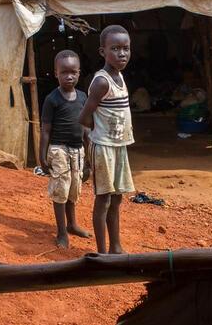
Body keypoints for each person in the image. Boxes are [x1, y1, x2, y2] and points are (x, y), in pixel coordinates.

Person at [79, 25, 136, 254]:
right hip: (103, 147)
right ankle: (102, 252)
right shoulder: (102, 82)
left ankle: (116, 246)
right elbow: (84, 117)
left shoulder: (119, 76)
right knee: (103, 199)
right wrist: (92, 141)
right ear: (102, 52)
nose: (122, 54)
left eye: (126, 48)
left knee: (117, 198)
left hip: (119, 146)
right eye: (115, 49)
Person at [39, 50, 92, 248]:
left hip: (78, 150)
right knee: (60, 190)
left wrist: (89, 156)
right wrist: (42, 157)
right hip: (58, 149)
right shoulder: (52, 100)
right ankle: (61, 232)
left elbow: (86, 129)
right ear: (56, 73)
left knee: (74, 189)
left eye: (73, 72)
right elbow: (45, 131)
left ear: (79, 73)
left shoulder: (82, 97)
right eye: (64, 72)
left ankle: (72, 224)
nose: (69, 76)